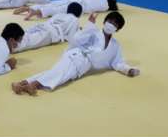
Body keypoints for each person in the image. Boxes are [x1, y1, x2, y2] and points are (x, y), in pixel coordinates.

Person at [11, 11, 139, 95]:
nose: (111, 25)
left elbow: (117, 63)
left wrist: (128, 70)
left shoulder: (115, 46)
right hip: (76, 56)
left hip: (83, 67)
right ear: (104, 21)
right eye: (110, 21)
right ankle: (32, 85)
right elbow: (77, 39)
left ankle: (22, 83)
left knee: (56, 73)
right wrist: (90, 25)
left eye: (115, 24)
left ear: (118, 29)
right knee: (60, 75)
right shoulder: (93, 32)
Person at [15, 2, 82, 53]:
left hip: (43, 26)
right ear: (79, 15)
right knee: (30, 41)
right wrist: (78, 31)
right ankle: (13, 47)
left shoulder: (59, 14)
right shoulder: (75, 20)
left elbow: (49, 22)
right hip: (51, 33)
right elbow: (71, 37)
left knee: (25, 33)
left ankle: (11, 38)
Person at [15, 0, 118, 20]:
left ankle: (30, 8)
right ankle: (36, 12)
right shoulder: (105, 6)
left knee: (53, 4)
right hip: (78, 6)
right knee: (56, 10)